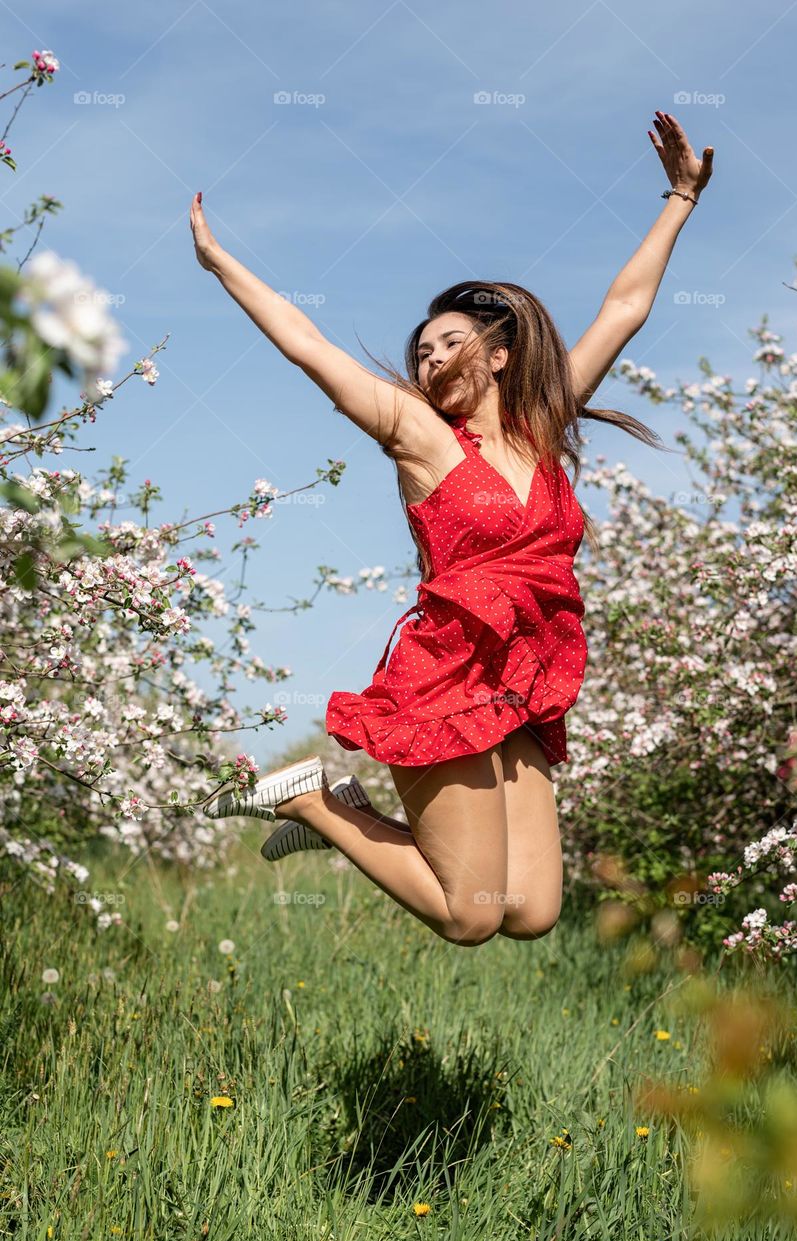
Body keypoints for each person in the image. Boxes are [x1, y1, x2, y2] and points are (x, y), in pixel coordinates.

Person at [190, 110, 713, 947]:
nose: (428, 359)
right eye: (421, 350)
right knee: (469, 917)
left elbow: (623, 308)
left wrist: (681, 195)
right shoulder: (423, 440)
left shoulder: (544, 427)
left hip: (528, 675)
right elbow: (309, 345)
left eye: (448, 344)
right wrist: (221, 264)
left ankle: (342, 811)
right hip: (450, 673)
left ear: (500, 354)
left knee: (532, 914)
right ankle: (308, 797)